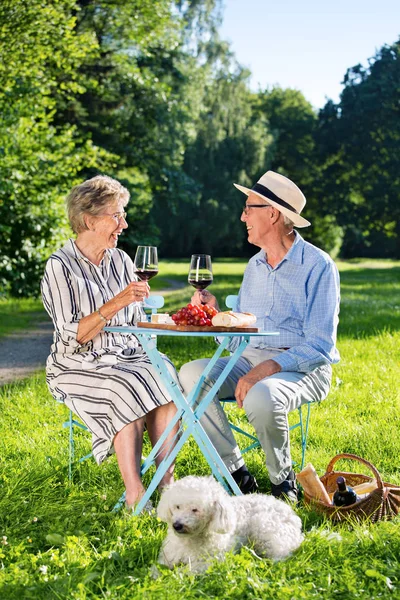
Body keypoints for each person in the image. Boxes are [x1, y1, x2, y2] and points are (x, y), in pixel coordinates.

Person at [179, 170, 340, 503]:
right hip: (251, 358)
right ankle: (236, 473)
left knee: (262, 395)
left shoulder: (318, 266)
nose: (242, 216)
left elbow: (321, 345)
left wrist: (265, 369)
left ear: (273, 213)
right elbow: (243, 334)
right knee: (191, 374)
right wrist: (217, 315)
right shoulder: (254, 265)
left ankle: (283, 483)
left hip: (302, 368)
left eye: (248, 208)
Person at [41, 175, 179, 509]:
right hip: (76, 363)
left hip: (125, 355)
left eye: (123, 215)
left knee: (166, 376)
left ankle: (167, 487)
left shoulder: (121, 260)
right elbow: (72, 334)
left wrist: (178, 317)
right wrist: (116, 302)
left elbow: (136, 319)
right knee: (124, 387)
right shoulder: (60, 267)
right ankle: (135, 495)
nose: (124, 224)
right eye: (116, 216)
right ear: (89, 220)